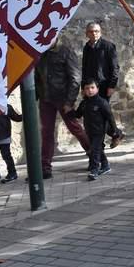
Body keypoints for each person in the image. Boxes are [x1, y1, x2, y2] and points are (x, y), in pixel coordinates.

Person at [35, 39, 91, 178]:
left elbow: (75, 77)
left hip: (63, 98)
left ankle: (95, 156)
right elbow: (36, 75)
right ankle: (45, 167)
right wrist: (36, 94)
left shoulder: (65, 52)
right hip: (46, 99)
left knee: (74, 127)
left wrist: (69, 101)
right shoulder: (40, 52)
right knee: (46, 132)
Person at [69, 79, 120, 181]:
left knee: (94, 150)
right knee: (98, 149)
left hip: (99, 131)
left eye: (92, 88)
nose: (90, 90)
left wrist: (115, 132)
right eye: (87, 88)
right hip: (89, 131)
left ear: (97, 89)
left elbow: (110, 118)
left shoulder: (102, 102)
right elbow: (78, 115)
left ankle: (94, 170)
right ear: (83, 90)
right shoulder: (84, 103)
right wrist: (69, 110)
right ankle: (105, 166)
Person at [82, 22, 122, 147]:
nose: (94, 33)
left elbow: (115, 68)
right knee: (92, 114)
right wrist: (83, 87)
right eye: (91, 31)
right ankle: (116, 134)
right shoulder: (87, 47)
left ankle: (100, 143)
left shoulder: (108, 46)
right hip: (90, 87)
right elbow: (85, 68)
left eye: (96, 31)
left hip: (104, 86)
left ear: (100, 32)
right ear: (87, 33)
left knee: (101, 114)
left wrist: (112, 85)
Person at [0, 104, 22, 184]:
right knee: (7, 155)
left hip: (4, 135)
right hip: (4, 133)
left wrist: (25, 114)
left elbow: (16, 117)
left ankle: (12, 173)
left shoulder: (5, 106)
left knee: (6, 155)